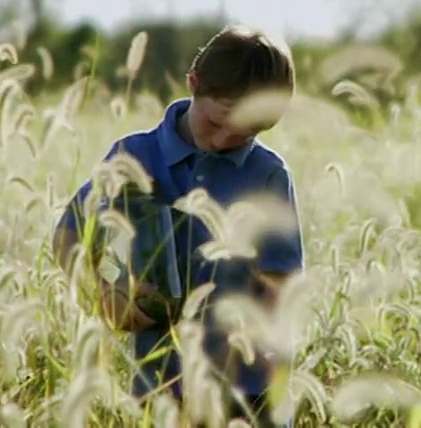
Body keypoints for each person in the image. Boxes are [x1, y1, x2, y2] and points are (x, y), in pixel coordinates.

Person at [50, 24, 305, 427]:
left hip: (247, 385)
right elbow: (70, 236)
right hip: (160, 382)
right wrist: (106, 292)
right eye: (217, 122)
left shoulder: (268, 174)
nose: (225, 140)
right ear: (193, 83)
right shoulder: (134, 157)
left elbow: (281, 278)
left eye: (248, 132)